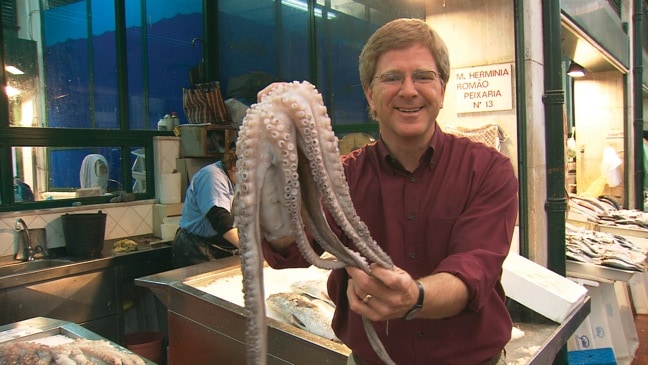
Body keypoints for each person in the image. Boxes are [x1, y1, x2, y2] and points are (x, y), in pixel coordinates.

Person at [260, 18, 518, 365]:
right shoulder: (344, 177)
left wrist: (416, 296)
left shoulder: (488, 170)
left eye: (423, 77)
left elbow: (474, 268)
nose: (408, 90)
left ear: (442, 89)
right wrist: (279, 170)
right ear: (370, 93)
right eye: (391, 77)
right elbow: (290, 249)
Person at [172, 149, 239, 268]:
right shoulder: (212, 176)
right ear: (234, 165)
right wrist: (254, 252)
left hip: (218, 246)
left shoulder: (237, 182)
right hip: (196, 248)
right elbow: (220, 221)